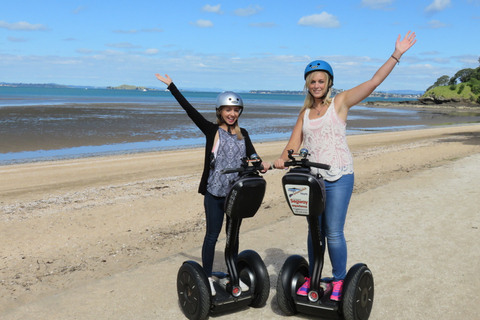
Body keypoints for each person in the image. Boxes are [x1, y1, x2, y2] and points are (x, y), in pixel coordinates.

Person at [274, 31, 417, 301]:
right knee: (314, 230)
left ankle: (338, 280)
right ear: (307, 85)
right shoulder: (304, 114)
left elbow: (373, 83)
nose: (317, 85)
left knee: (333, 231)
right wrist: (280, 160)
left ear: (329, 83)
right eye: (312, 81)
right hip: (312, 180)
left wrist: (396, 54)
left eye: (321, 80)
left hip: (339, 176)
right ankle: (314, 277)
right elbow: (292, 145)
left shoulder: (339, 104)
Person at [155, 73, 270, 296]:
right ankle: (206, 277)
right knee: (212, 235)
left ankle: (233, 275)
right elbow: (190, 111)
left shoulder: (242, 134)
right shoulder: (212, 131)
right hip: (215, 193)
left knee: (233, 236)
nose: (232, 113)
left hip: (237, 193)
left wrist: (260, 163)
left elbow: (253, 156)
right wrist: (172, 86)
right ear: (219, 111)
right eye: (228, 110)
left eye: (236, 110)